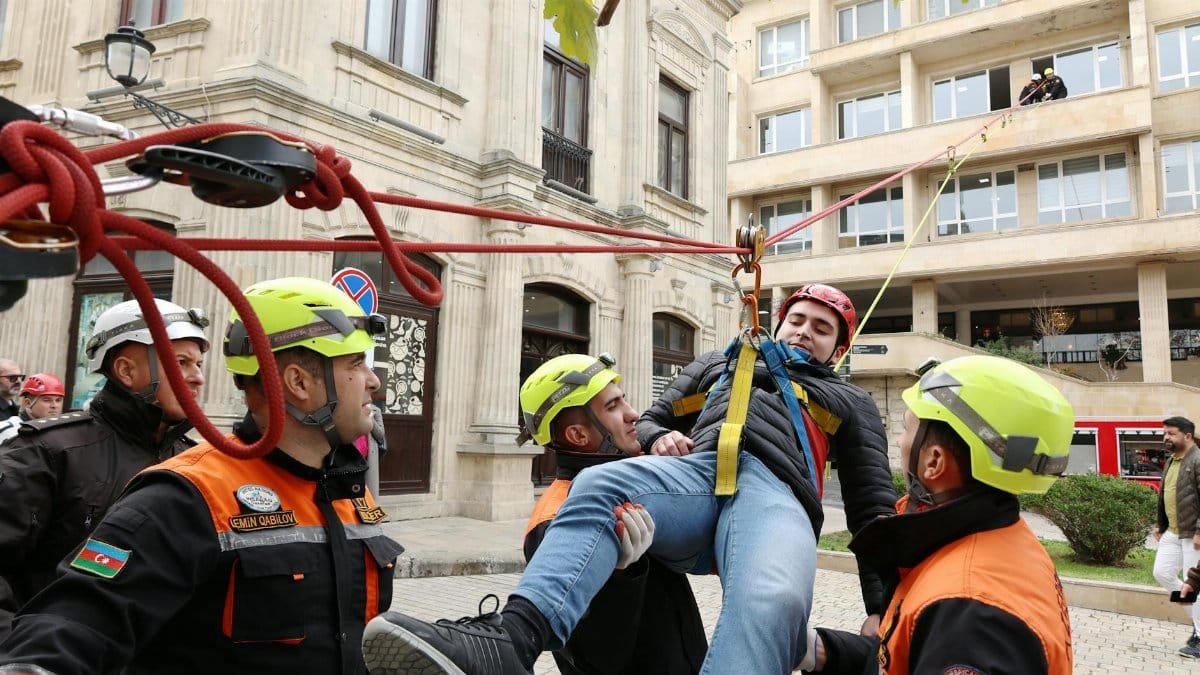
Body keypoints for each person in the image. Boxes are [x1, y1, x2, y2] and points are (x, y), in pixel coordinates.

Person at [363, 283, 896, 675]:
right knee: (601, 486)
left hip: (776, 495)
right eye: (797, 319)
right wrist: (659, 437)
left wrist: (881, 607)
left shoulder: (848, 401)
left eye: (821, 328)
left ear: (838, 350)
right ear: (777, 323)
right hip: (700, 475)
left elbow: (871, 508)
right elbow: (654, 418)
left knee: (771, 604)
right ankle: (512, 640)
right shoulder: (722, 364)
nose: (804, 331)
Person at [0, 276, 403, 674]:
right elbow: (74, 623)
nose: (374, 381)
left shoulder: (348, 487)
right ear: (298, 382)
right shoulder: (186, 494)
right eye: (356, 364)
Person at [801, 354, 1075, 674]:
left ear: (933, 461)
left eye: (906, 428)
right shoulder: (1003, 541)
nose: (900, 442)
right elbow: (913, 655)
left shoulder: (969, 614)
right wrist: (822, 651)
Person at [0, 299, 208, 637]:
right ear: (126, 371)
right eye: (181, 362)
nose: (197, 377)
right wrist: (19, 652)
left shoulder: (196, 461)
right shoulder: (47, 451)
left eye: (198, 364)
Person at [515, 352, 706, 674]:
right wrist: (621, 575)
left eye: (624, 400)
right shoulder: (557, 519)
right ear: (578, 435)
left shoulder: (639, 481)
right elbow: (593, 659)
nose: (633, 414)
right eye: (613, 406)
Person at [1152, 415, 1200, 658]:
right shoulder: (1172, 460)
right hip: (1172, 531)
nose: (1166, 438)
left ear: (1187, 436)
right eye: (1165, 433)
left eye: (1171, 433)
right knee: (1162, 573)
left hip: (1193, 533)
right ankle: (1197, 622)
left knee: (1196, 583)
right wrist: (1161, 524)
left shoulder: (1198, 460)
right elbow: (1166, 495)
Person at [0, 373, 66, 444]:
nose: (54, 405)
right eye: (47, 400)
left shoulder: (63, 432)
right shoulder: (6, 431)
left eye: (58, 400)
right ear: (28, 403)